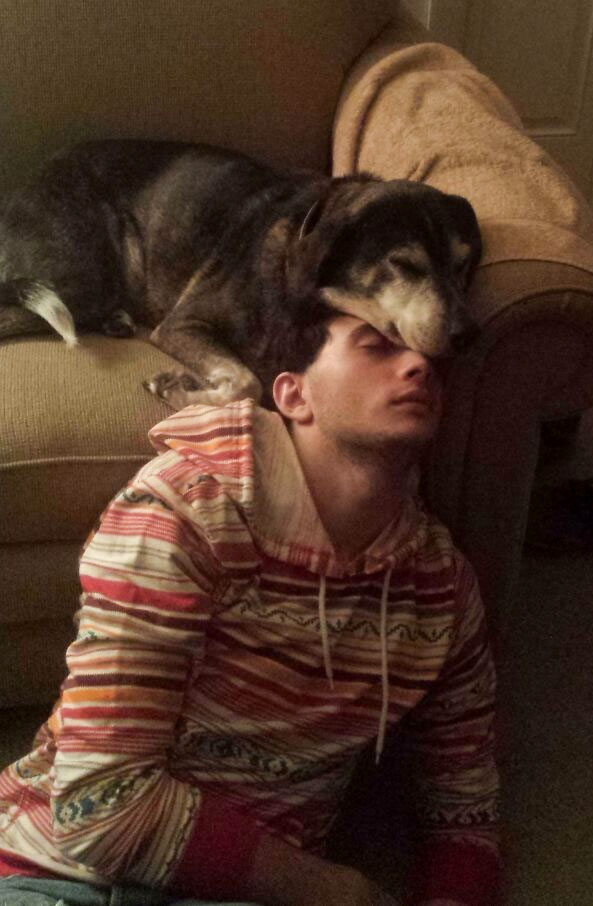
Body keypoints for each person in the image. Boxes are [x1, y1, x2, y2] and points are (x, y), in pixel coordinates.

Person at [0, 313, 501, 906]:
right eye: (377, 347)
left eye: (429, 358)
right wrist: (337, 890)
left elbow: (465, 810)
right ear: (293, 395)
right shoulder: (184, 507)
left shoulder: (442, 588)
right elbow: (100, 807)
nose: (419, 365)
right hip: (55, 872)